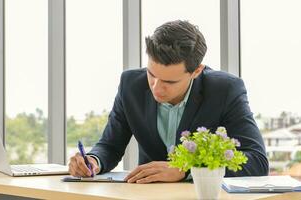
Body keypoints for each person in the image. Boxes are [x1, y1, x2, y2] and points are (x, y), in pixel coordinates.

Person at [68, 20, 269, 183]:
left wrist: (187, 169)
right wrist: (93, 161)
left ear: (196, 71)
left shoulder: (225, 90)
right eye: (151, 74)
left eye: (169, 82)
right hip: (147, 196)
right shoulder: (130, 85)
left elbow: (257, 161)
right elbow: (110, 146)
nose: (156, 87)